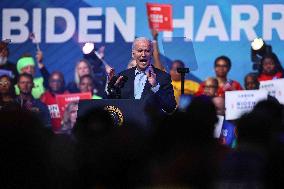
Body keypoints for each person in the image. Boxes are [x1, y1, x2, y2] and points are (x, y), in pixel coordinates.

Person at [108, 37, 176, 113]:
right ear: (133, 54)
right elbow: (111, 106)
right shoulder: (123, 77)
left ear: (152, 54)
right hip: (127, 123)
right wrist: (111, 88)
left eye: (147, 51)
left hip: (150, 123)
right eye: (140, 51)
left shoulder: (162, 77)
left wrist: (155, 86)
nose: (143, 54)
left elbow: (170, 107)